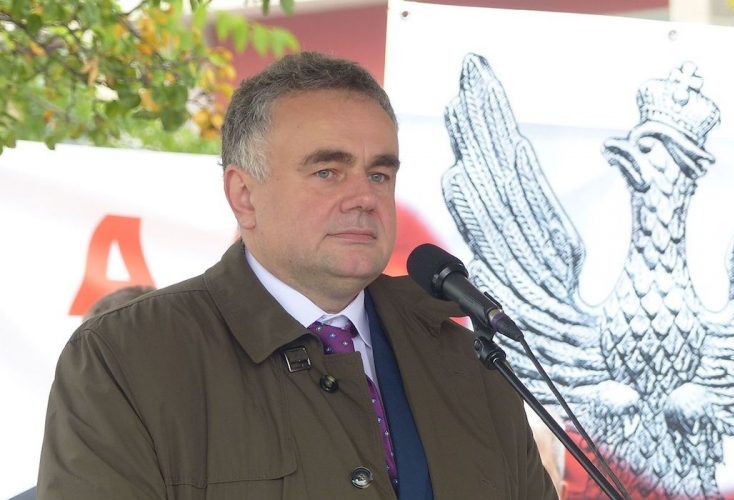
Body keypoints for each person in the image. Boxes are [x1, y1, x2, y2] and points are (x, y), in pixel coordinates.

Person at [38, 51, 556, 499]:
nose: (364, 198)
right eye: (327, 172)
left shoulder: (468, 359)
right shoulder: (124, 358)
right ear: (244, 196)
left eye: (379, 174)